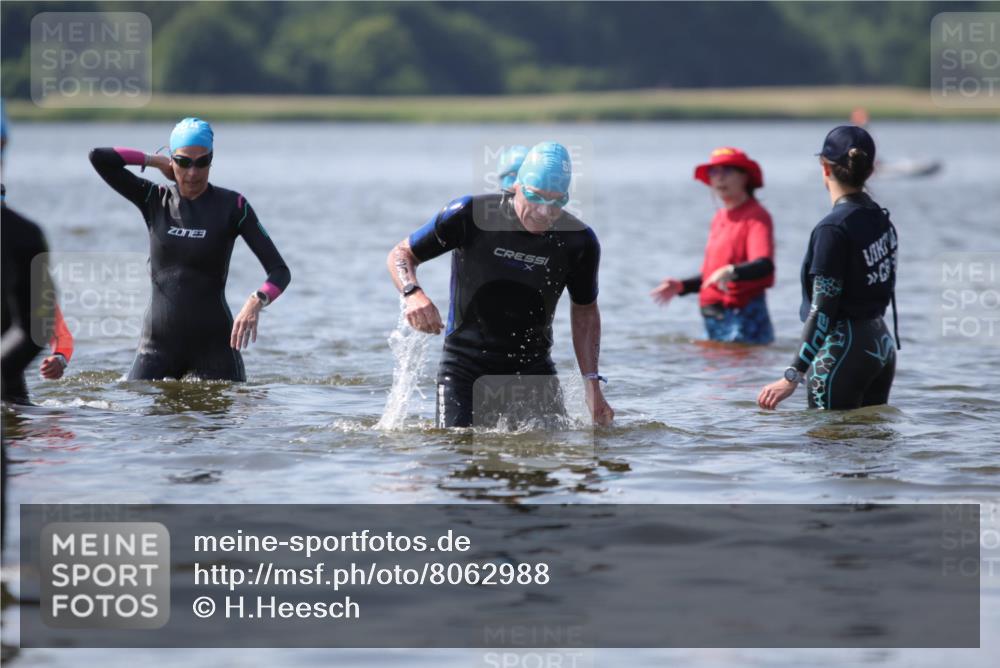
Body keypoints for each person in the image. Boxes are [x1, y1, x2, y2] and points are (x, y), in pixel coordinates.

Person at [386, 141, 613, 428]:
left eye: (557, 202)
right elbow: (401, 253)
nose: (545, 212)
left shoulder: (578, 241)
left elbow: (585, 311)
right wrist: (412, 292)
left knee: (547, 462)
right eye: (536, 197)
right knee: (456, 456)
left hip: (533, 371)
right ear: (517, 185)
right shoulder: (469, 214)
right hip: (464, 368)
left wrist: (592, 384)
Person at [89, 118, 290, 381]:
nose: (192, 173)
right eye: (184, 162)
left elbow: (280, 271)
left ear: (212, 159)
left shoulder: (233, 206)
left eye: (201, 162)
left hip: (215, 349)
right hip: (156, 348)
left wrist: (256, 301)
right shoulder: (153, 199)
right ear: (173, 160)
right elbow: (99, 158)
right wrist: (155, 161)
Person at [758, 126, 899, 410]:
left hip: (842, 349)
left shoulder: (832, 229)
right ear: (870, 171)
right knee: (872, 446)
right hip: (881, 344)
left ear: (824, 167)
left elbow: (822, 309)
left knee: (827, 446)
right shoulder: (882, 219)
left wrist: (793, 374)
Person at [651, 147, 775, 344]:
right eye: (713, 172)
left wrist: (732, 270)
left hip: (742, 317)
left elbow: (764, 265)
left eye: (726, 170)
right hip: (714, 318)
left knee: (739, 371)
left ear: (744, 177)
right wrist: (683, 286)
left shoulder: (756, 216)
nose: (719, 178)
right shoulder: (719, 218)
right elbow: (714, 275)